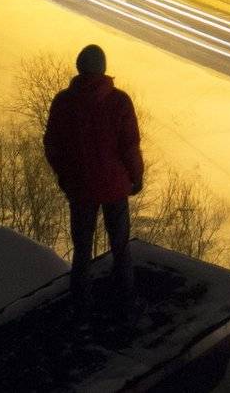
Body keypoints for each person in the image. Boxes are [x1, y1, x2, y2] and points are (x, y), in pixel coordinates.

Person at [43, 44, 144, 312]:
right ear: (103, 68)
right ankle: (126, 298)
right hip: (114, 186)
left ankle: (81, 303)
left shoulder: (63, 102)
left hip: (80, 187)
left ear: (79, 67)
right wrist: (136, 177)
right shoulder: (119, 101)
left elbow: (52, 145)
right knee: (120, 246)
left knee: (82, 249)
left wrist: (65, 176)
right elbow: (129, 146)